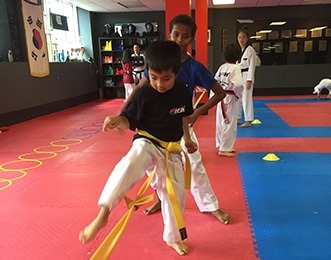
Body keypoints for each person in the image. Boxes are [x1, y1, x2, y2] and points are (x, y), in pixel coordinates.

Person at [79, 41, 198, 256]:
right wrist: (118, 120)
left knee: (176, 195)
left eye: (166, 79)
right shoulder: (144, 95)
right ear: (147, 73)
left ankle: (172, 238)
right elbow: (128, 119)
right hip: (147, 142)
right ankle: (104, 211)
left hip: (171, 149)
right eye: (153, 78)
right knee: (132, 160)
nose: (159, 84)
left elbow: (184, 119)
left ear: (177, 73)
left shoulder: (182, 92)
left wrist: (187, 139)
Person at [128, 14, 229, 224]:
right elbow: (140, 88)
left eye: (185, 36)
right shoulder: (159, 61)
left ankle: (210, 205)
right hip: (154, 127)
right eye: (175, 34)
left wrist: (196, 113)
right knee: (152, 166)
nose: (179, 40)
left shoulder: (194, 67)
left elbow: (220, 93)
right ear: (169, 34)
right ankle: (160, 198)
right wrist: (123, 111)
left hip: (181, 126)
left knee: (195, 163)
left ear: (191, 39)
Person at [214, 43, 243, 157]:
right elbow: (239, 84)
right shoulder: (236, 68)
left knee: (221, 122)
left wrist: (214, 95)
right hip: (229, 97)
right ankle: (225, 148)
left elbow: (215, 81)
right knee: (229, 122)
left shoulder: (222, 67)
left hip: (220, 97)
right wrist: (238, 95)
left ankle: (221, 144)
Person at [236, 26, 257, 127]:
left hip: (246, 75)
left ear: (247, 38)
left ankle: (248, 120)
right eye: (240, 37)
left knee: (246, 98)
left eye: (243, 37)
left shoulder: (250, 50)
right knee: (238, 98)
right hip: (239, 76)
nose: (241, 40)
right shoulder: (238, 50)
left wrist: (250, 80)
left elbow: (252, 66)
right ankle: (238, 117)